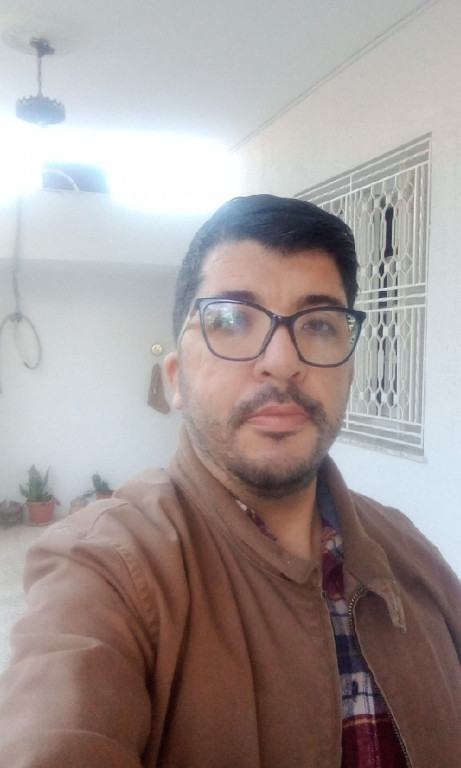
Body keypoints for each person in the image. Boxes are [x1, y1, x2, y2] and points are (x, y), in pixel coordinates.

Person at [0, 195, 460, 768]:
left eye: (319, 324)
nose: (282, 360)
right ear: (176, 379)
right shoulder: (105, 568)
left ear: (348, 370)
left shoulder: (408, 550)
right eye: (232, 320)